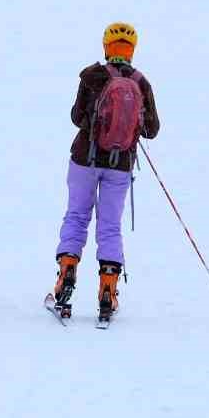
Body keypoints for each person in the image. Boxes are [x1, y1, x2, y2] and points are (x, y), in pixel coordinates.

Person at [51, 22, 161, 322]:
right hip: (120, 165)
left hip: (84, 159)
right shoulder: (141, 82)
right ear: (133, 49)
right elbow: (152, 129)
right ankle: (108, 292)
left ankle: (66, 275)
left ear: (106, 46)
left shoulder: (92, 75)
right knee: (110, 226)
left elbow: (77, 117)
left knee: (76, 216)